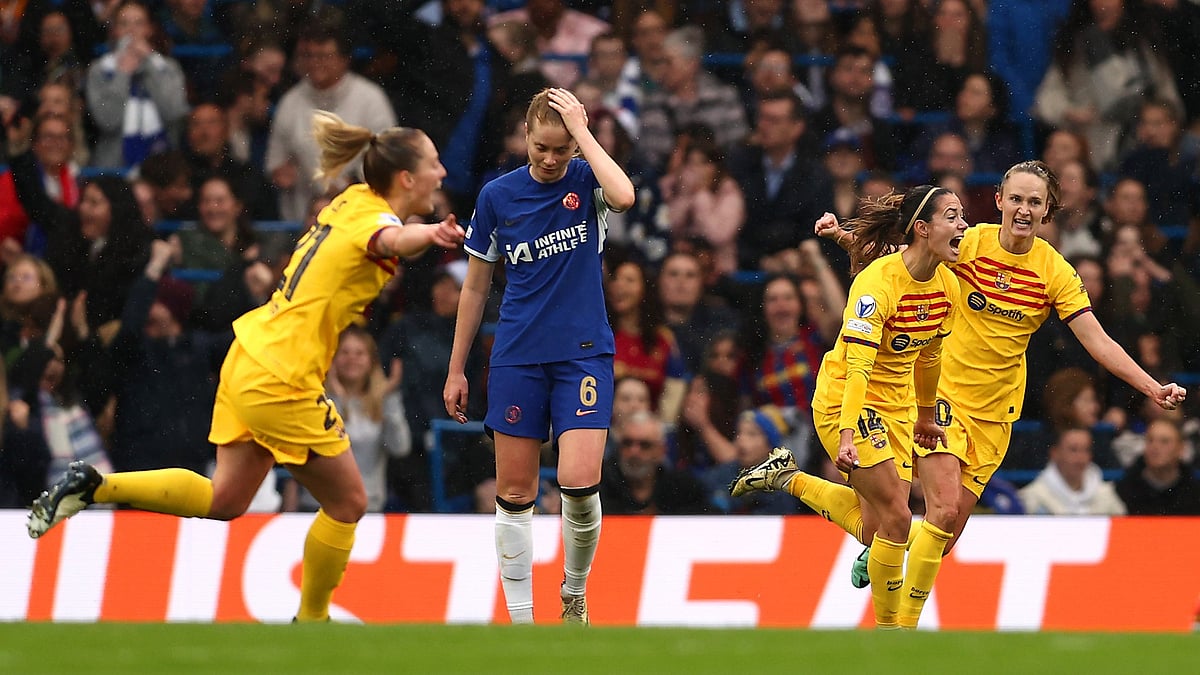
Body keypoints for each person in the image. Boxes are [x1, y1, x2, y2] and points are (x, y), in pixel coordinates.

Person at [27, 110, 466, 625]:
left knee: (227, 499)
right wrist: (431, 232)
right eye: (435, 164)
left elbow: (379, 234)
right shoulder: (376, 222)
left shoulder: (353, 201)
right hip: (283, 373)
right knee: (349, 503)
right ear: (408, 178)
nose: (444, 173)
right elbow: (389, 240)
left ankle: (96, 485)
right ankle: (314, 623)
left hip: (252, 351)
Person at [805, 160, 1186, 624]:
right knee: (939, 512)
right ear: (1000, 201)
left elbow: (1097, 340)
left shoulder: (1054, 272)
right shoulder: (968, 243)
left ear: (1048, 211)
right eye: (1017, 199)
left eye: (1035, 202)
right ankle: (899, 631)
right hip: (938, 396)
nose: (1024, 210)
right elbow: (905, 263)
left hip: (996, 413)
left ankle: (873, 539)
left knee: (942, 537)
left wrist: (1152, 386)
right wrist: (846, 239)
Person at [732, 184, 967, 629]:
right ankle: (890, 634)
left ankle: (787, 477)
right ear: (922, 228)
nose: (963, 226)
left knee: (881, 530)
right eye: (952, 217)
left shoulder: (948, 288)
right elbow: (858, 366)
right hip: (845, 398)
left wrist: (922, 414)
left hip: (897, 408)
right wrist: (844, 434)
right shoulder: (876, 284)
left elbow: (931, 357)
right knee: (898, 518)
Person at [443, 87, 636, 626]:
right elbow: (476, 288)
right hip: (517, 355)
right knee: (514, 492)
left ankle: (574, 592)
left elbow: (624, 198)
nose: (551, 160)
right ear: (525, 138)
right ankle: (523, 625)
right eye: (541, 148)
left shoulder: (587, 179)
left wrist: (583, 131)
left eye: (561, 149)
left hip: (582, 355)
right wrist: (457, 368)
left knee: (577, 481)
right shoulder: (497, 197)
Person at [1018, 427, 1127, 515]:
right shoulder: (1033, 497)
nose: (1080, 458)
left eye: (1086, 450)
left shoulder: (1106, 495)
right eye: (1073, 450)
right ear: (1054, 453)